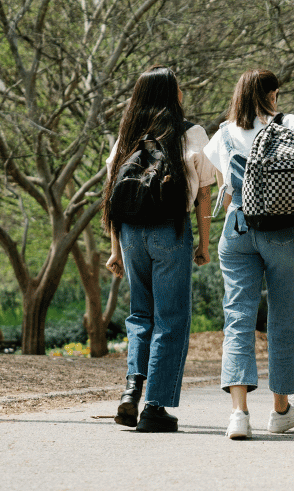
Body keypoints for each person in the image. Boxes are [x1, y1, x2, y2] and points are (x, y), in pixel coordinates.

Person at [203, 68, 294, 440]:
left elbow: (223, 184)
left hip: (237, 227)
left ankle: (238, 414)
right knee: (285, 318)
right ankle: (280, 410)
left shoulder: (222, 135)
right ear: (273, 94)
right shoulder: (293, 126)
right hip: (284, 232)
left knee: (238, 318)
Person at [104, 65, 215, 433]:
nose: (182, 92)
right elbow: (203, 192)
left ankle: (130, 393)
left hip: (131, 233)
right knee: (171, 318)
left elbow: (112, 196)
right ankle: (155, 407)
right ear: (171, 94)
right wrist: (204, 242)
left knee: (141, 314)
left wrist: (115, 249)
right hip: (171, 229)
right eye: (178, 87)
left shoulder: (126, 136)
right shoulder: (191, 133)